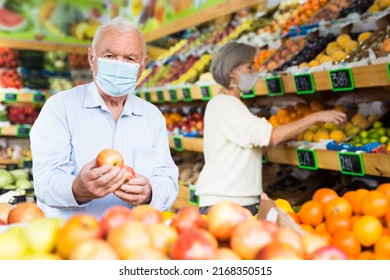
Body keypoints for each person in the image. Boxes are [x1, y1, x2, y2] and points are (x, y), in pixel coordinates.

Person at [30, 17, 179, 219]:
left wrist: (150, 193)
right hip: (74, 238)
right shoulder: (61, 107)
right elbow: (44, 180)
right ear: (92, 58)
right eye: (109, 56)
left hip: (131, 238)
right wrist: (76, 189)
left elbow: (168, 179)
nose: (119, 65)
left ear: (143, 66)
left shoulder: (152, 117)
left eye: (130, 59)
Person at [195, 42, 347, 216]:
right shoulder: (225, 104)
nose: (254, 72)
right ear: (231, 72)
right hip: (226, 203)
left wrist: (289, 132)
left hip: (235, 200)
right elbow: (271, 137)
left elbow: (256, 146)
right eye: (249, 67)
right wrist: (317, 116)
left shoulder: (228, 104)